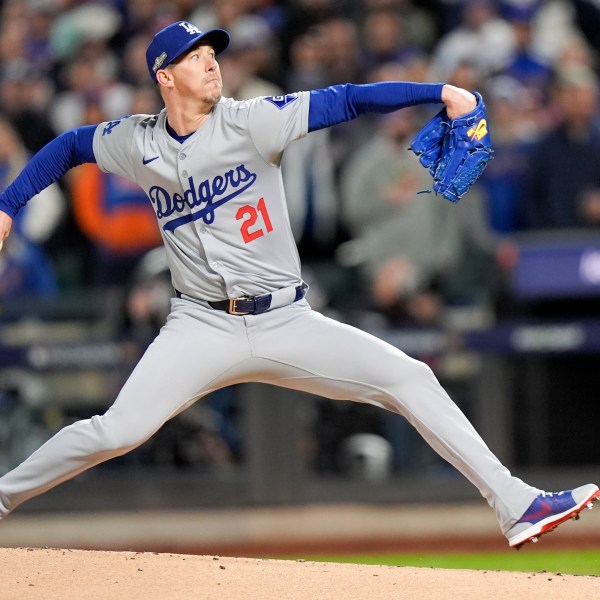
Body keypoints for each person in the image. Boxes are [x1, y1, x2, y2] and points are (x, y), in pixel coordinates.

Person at [0, 20, 597, 550]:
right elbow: (68, 146)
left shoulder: (252, 121)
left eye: (213, 53)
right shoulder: (137, 142)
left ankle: (516, 504)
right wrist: (8, 205)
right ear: (164, 76)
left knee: (410, 377)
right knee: (118, 430)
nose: (211, 62)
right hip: (200, 324)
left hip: (285, 320)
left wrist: (439, 92)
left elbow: (347, 100)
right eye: (195, 56)